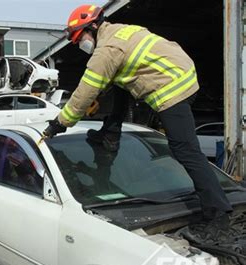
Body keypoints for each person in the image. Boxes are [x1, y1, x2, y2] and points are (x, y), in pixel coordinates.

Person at [42, 4, 234, 244]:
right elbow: (116, 78)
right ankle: (110, 133)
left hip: (172, 87)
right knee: (120, 84)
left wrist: (60, 123)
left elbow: (85, 92)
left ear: (92, 26)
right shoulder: (120, 31)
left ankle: (218, 216)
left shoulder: (106, 51)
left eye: (80, 39)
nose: (80, 45)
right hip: (182, 72)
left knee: (185, 150)